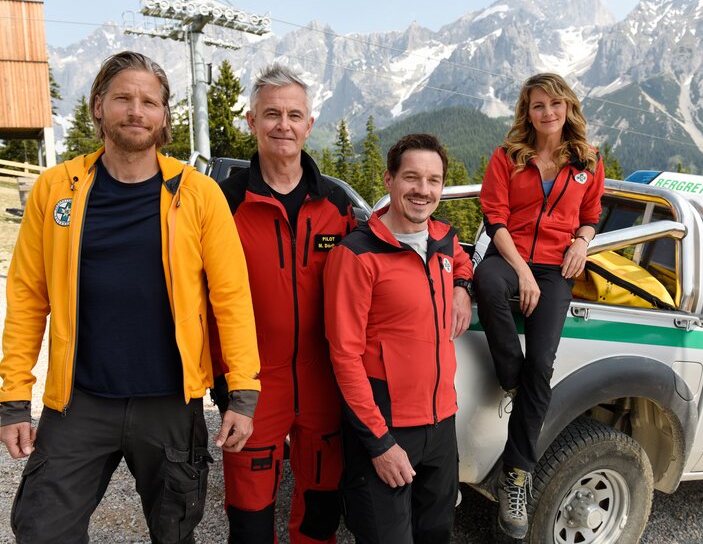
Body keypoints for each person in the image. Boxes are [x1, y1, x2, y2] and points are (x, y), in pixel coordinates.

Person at [0, 51, 261, 543]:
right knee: (40, 530)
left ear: (164, 115)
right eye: (123, 98)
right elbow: (28, 297)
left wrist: (243, 393)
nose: (136, 111)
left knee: (174, 531)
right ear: (99, 106)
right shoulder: (56, 190)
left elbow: (232, 297)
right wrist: (14, 396)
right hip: (77, 402)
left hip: (169, 403)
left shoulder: (199, 195)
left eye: (149, 101)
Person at [210, 63, 356, 543]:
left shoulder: (337, 206)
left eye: (295, 114)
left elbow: (395, 250)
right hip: (253, 385)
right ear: (251, 121)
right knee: (250, 518)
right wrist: (221, 381)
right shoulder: (223, 203)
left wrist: (460, 278)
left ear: (309, 125)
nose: (284, 125)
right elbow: (196, 298)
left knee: (319, 513)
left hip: (323, 385)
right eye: (271, 113)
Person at [473, 72, 605, 539]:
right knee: (486, 284)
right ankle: (511, 377)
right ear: (525, 113)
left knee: (543, 366)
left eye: (554, 104)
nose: (547, 113)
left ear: (568, 106)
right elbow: (495, 217)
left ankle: (517, 474)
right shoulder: (508, 156)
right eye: (536, 106)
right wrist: (522, 272)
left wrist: (583, 242)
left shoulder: (588, 161)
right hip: (509, 256)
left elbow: (590, 216)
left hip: (556, 266)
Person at [323, 133, 473, 544]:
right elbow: (345, 357)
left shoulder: (443, 241)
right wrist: (379, 443)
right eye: (411, 178)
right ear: (389, 181)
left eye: (433, 180)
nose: (423, 190)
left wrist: (463, 285)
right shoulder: (357, 255)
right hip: (388, 427)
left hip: (442, 425)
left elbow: (462, 259)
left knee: (436, 534)